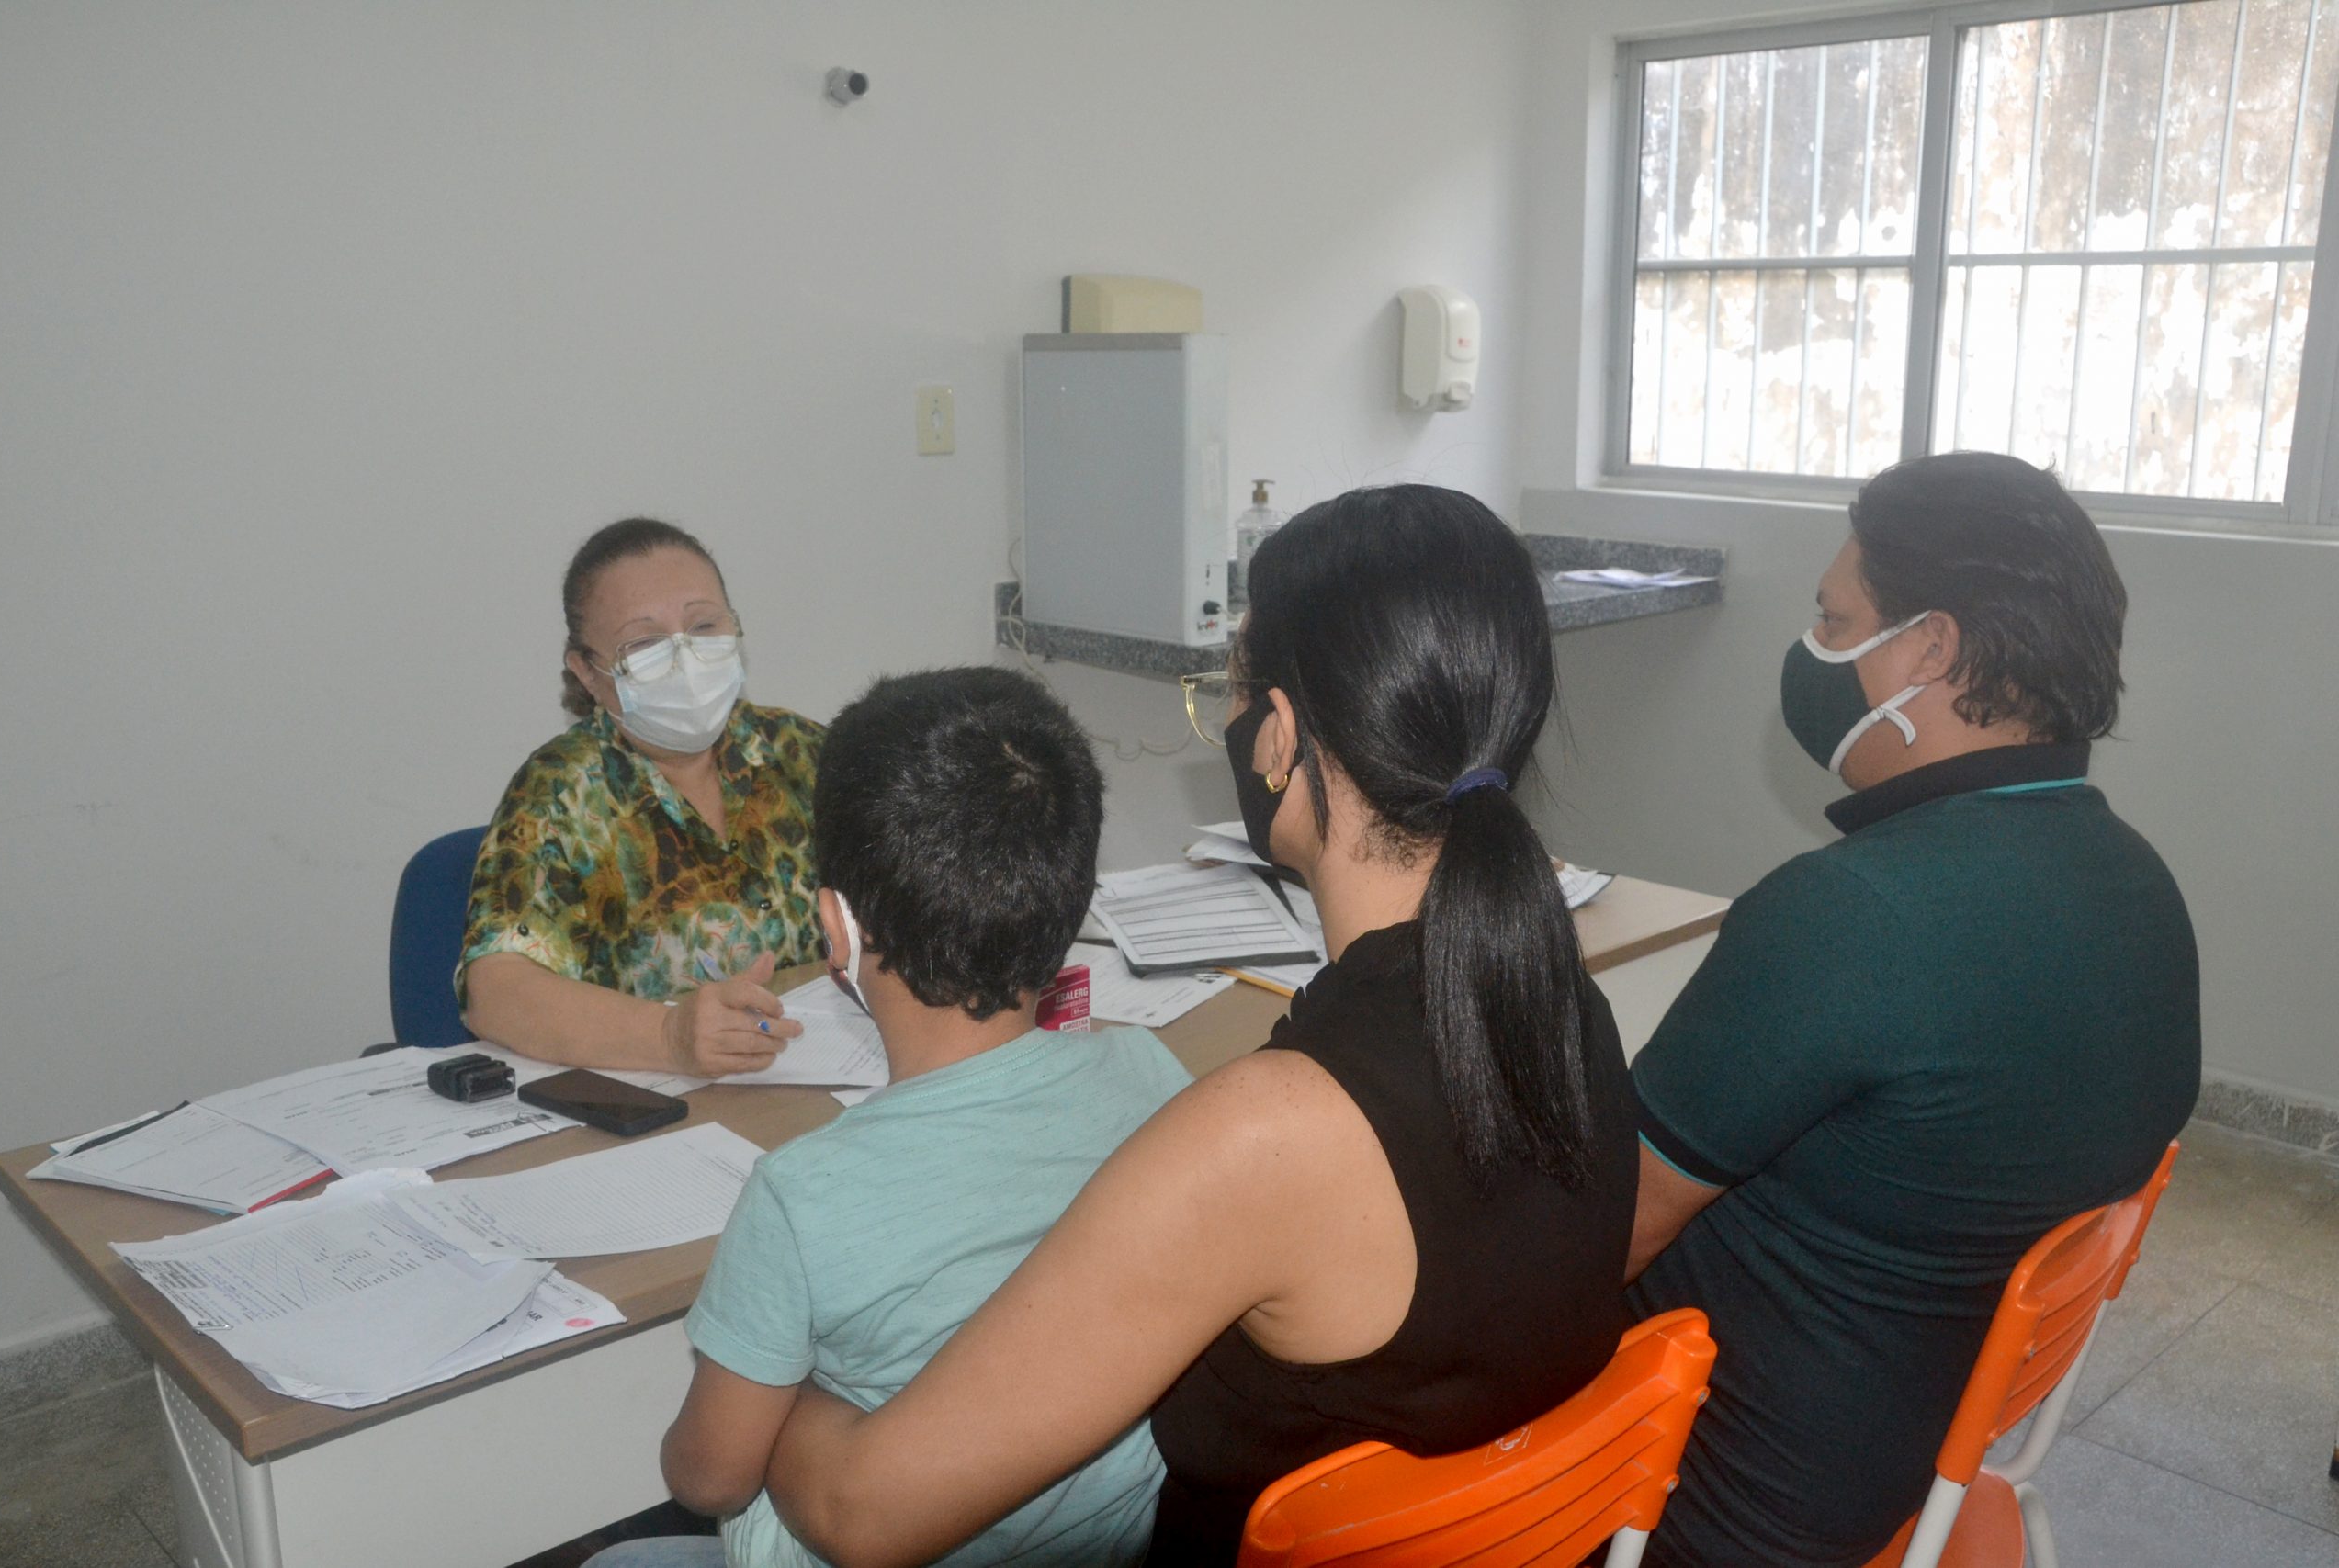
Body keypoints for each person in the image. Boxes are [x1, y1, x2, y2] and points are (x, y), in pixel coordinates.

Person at [754, 485, 1639, 1568]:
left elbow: (862, 1516)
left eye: (1227, 686)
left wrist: (771, 1391)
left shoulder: (1271, 1132)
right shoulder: (1560, 1004)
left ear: (1277, 737)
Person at [1624, 453, 2201, 1567]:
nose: (1815, 650)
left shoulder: (1849, 915)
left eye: (1835, 620)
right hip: (1917, 1456)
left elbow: (1599, 1233)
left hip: (1718, 1501)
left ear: (1929, 648)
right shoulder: (2140, 888)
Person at [591, 666, 1191, 1568]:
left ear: (835, 930)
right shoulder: (1154, 1082)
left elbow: (708, 1479)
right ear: (1067, 904)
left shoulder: (803, 1196)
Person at [458, 517, 823, 1077]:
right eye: (646, 644)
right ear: (587, 671)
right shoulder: (562, 791)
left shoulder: (802, 753)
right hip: (660, 1105)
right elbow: (497, 991)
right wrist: (668, 1036)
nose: (685, 657)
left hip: (826, 1081)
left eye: (704, 624)